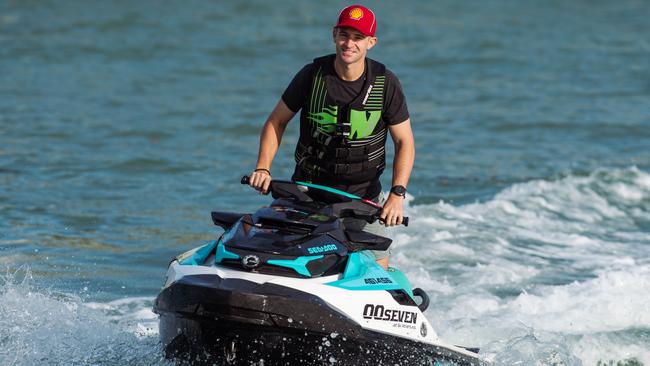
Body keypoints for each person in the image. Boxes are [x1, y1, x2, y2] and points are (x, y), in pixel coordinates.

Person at [248, 4, 415, 270]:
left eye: (358, 37)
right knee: (274, 257)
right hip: (306, 192)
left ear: (371, 42)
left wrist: (397, 194)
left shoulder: (386, 83)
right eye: (344, 34)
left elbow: (404, 142)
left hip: (362, 199)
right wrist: (262, 168)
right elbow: (275, 122)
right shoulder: (312, 76)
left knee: (375, 271)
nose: (349, 43)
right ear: (334, 35)